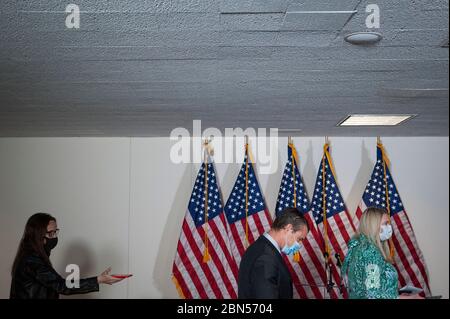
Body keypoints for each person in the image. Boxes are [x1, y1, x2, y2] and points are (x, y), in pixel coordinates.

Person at [10, 212, 125, 299]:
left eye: (56, 232)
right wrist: (98, 280)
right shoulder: (32, 261)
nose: (55, 237)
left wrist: (99, 279)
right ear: (37, 236)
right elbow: (63, 286)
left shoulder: (34, 256)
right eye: (51, 233)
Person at [342, 207, 423, 299]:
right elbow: (373, 295)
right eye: (385, 223)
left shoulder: (360, 247)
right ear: (373, 225)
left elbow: (370, 289)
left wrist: (396, 295)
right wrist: (410, 298)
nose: (389, 227)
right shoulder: (369, 252)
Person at [238, 207, 309, 299]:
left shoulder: (260, 248)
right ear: (288, 228)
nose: (299, 245)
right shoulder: (266, 257)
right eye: (299, 239)